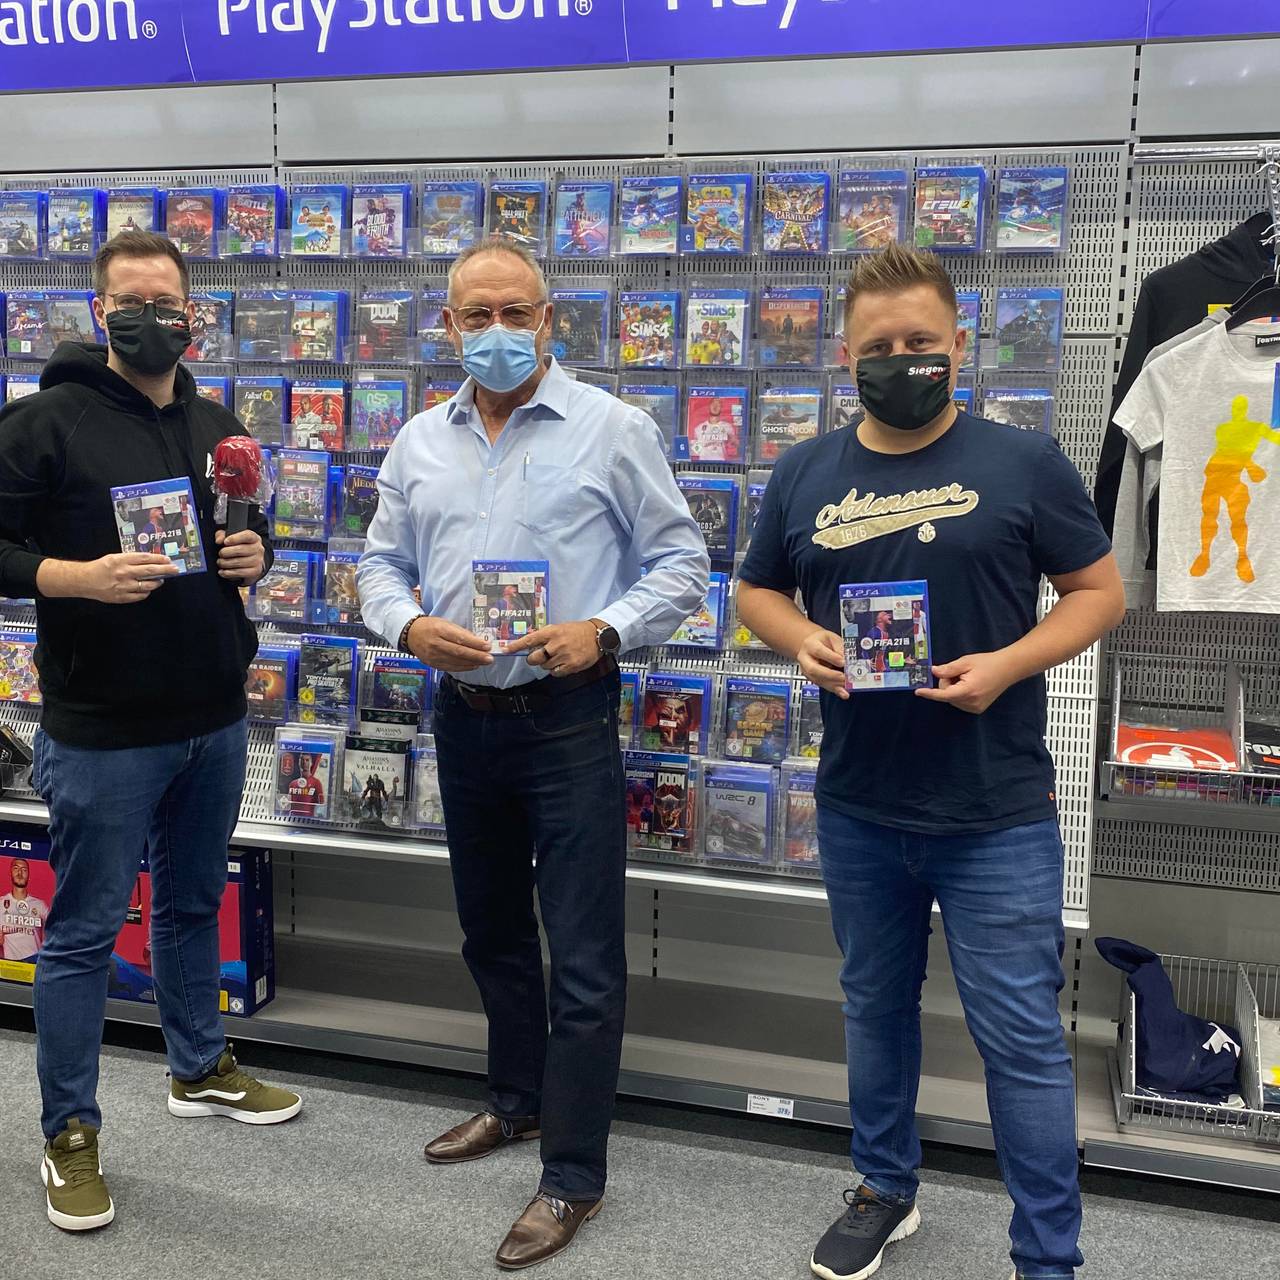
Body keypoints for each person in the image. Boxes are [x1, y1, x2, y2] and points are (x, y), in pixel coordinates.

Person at [736, 242, 1124, 1280]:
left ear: (959, 344)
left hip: (996, 809)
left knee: (1021, 1040)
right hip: (860, 803)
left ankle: (1047, 1257)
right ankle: (883, 1186)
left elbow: (1098, 593)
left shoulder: (1023, 462)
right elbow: (755, 588)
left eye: (920, 341)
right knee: (873, 1009)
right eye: (879, 346)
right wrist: (800, 640)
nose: (900, 359)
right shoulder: (804, 471)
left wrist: (1008, 663)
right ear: (844, 357)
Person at [358, 235, 709, 1271]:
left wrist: (603, 629)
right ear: (449, 325)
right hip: (463, 715)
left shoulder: (612, 428)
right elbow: (377, 564)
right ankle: (513, 1100)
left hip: (565, 717)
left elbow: (681, 563)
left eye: (517, 312)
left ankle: (573, 1174)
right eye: (478, 314)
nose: (499, 331)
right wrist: (408, 625)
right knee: (492, 933)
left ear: (549, 320)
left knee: (585, 954)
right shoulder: (418, 441)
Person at [0, 230, 302, 1235]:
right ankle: (68, 1134)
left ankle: (197, 1064)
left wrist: (258, 552)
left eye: (166, 303)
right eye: (129, 302)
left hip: (212, 717)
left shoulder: (216, 424)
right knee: (83, 935)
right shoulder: (44, 421)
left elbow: (248, 534)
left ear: (192, 315)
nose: (149, 318)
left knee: (189, 905)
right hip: (102, 729)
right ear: (100, 312)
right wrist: (70, 577)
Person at [2, 857, 49, 962]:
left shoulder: (40, 905)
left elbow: (55, 931)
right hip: (9, 964)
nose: (20, 873)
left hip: (34, 962)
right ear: (10, 873)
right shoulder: (1, 903)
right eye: (16, 868)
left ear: (29, 876)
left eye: (24, 870)